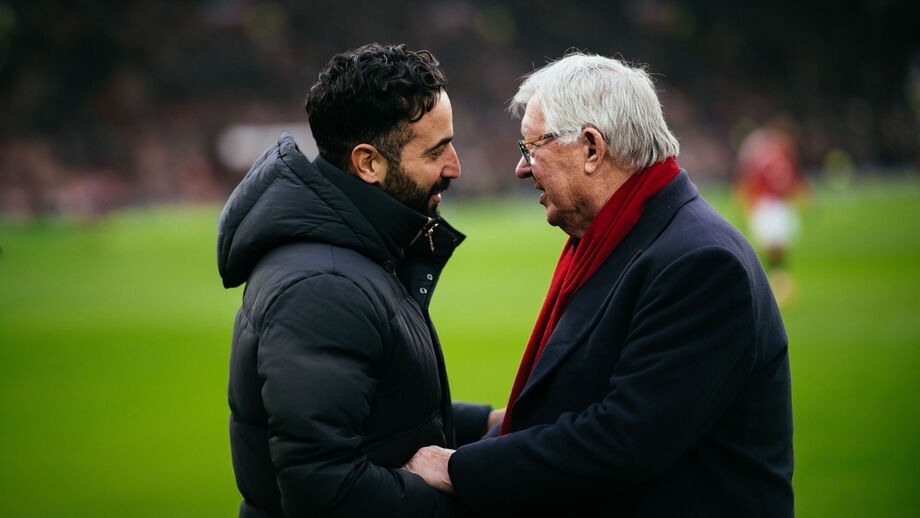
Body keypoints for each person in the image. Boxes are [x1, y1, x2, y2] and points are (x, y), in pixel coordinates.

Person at [404, 53, 794, 517]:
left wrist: (458, 468)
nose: (521, 168)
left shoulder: (700, 262)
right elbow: (576, 402)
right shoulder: (617, 239)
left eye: (531, 146)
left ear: (592, 148)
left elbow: (627, 437)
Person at [216, 43, 496, 518]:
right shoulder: (322, 284)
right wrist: (472, 499)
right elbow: (324, 491)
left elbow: (380, 409)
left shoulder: (358, 251)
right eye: (436, 150)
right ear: (369, 163)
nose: (455, 167)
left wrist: (489, 425)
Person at [734, 118, 809, 307]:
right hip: (771, 206)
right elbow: (783, 180)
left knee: (775, 250)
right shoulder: (776, 154)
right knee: (775, 249)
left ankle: (776, 285)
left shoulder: (765, 152)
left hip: (769, 206)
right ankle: (777, 285)